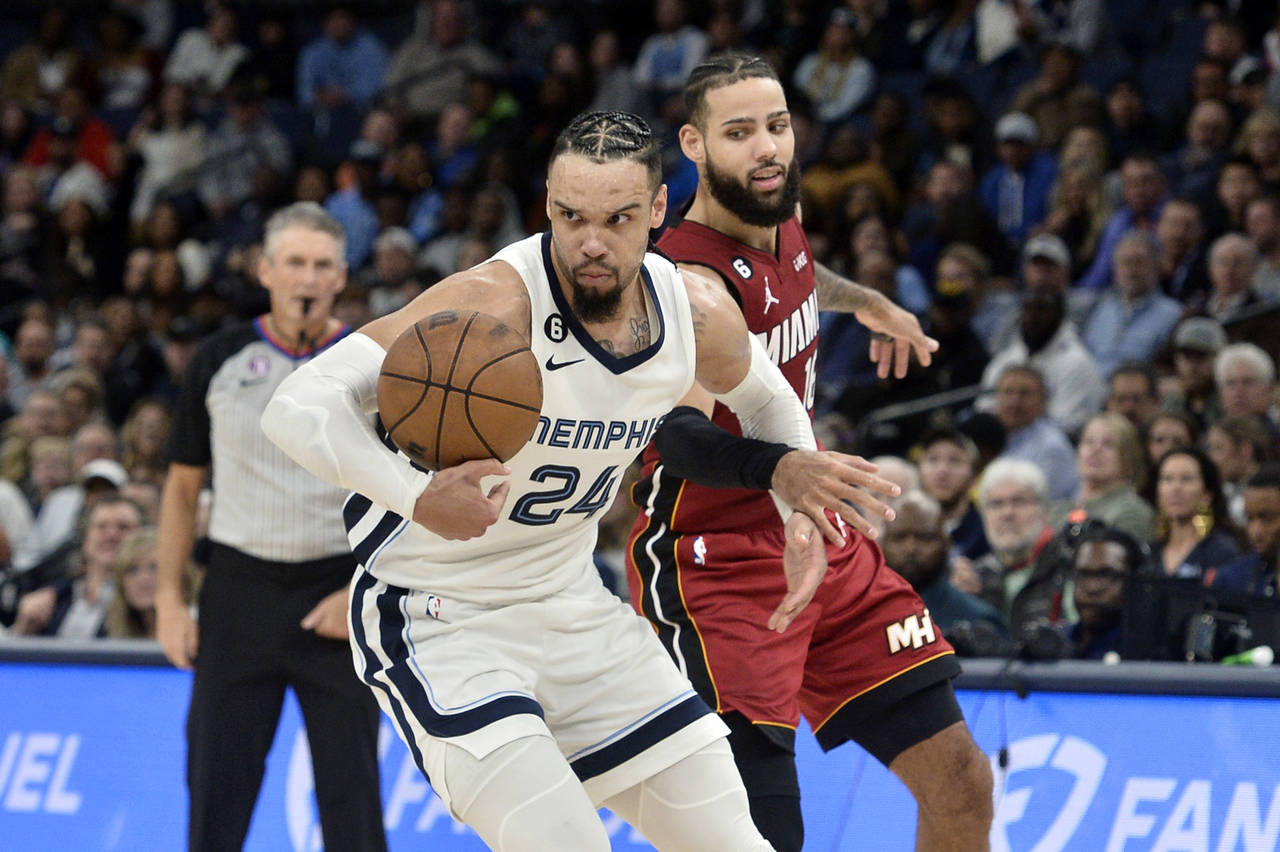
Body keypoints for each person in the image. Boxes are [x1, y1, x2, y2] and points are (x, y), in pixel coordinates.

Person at [262, 110, 896, 852]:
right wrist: (419, 497)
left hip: (572, 605)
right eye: (571, 216)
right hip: (440, 616)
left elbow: (764, 398)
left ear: (659, 211)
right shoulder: (492, 302)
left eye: (619, 218)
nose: (591, 242)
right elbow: (296, 405)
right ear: (548, 208)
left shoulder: (692, 311)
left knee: (737, 841)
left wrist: (794, 502)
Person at [625, 56, 992, 852]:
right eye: (739, 132)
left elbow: (794, 274)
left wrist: (868, 303)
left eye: (778, 126)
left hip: (818, 537)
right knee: (758, 836)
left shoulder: (775, 214)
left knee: (963, 781)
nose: (767, 149)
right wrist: (782, 468)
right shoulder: (684, 279)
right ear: (693, 144)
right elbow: (677, 438)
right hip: (713, 563)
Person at [154, 202, 386, 852]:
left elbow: (405, 501)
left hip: (338, 593)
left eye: (320, 265)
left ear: (341, 276)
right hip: (237, 591)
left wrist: (365, 588)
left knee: (353, 797)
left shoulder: (374, 364)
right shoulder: (220, 357)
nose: (306, 279)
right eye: (294, 263)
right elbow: (180, 487)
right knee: (216, 790)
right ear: (265, 270)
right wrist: (171, 600)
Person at [880, 490, 1008, 639]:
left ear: (946, 543)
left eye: (925, 538)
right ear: (881, 543)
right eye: (899, 538)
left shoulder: (980, 621)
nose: (911, 548)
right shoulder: (858, 614)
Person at [1050, 412, 1156, 542]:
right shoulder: (1058, 510)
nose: (1095, 449)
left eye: (1108, 444)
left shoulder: (1133, 513)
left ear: (1127, 458)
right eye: (1089, 441)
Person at [1151, 447, 1245, 583]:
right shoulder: (1150, 552)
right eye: (1167, 479)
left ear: (1207, 495)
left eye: (1187, 479)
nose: (1175, 487)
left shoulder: (1221, 552)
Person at [1066, 523, 1149, 660]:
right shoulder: (1054, 645)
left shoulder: (1149, 652)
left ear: (1136, 581)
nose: (1092, 588)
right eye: (1084, 574)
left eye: (1106, 574)